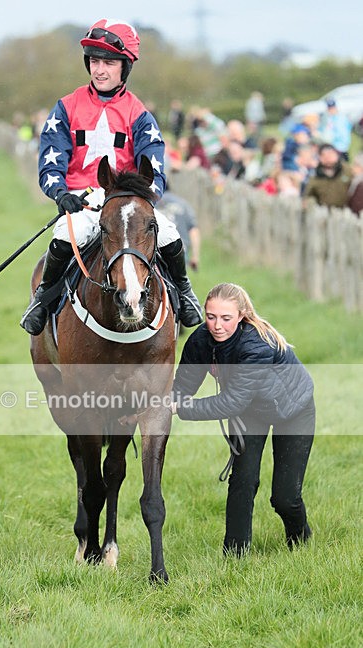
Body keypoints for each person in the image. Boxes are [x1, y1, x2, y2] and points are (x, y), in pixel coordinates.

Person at [20, 19, 202, 335]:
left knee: (170, 234)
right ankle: (42, 300)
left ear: (124, 67)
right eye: (94, 61)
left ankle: (184, 294)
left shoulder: (139, 114)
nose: (99, 69)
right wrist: (61, 193)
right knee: (65, 235)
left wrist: (143, 196)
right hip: (82, 203)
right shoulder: (65, 108)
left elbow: (155, 168)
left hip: (127, 203)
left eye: (108, 62)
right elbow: (50, 164)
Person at [172, 282, 315, 556]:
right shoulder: (201, 340)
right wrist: (158, 403)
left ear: (241, 316)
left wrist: (181, 409)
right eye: (211, 316)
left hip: (293, 411)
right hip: (252, 411)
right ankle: (235, 557)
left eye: (226, 318)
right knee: (242, 480)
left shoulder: (256, 344)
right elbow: (183, 386)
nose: (217, 325)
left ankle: (301, 543)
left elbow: (231, 402)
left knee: (284, 499)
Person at [303, 143, 352, 208]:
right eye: (325, 155)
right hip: (323, 211)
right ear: (320, 158)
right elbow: (308, 196)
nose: (329, 157)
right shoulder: (315, 176)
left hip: (345, 212)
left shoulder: (347, 170)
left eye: (331, 153)